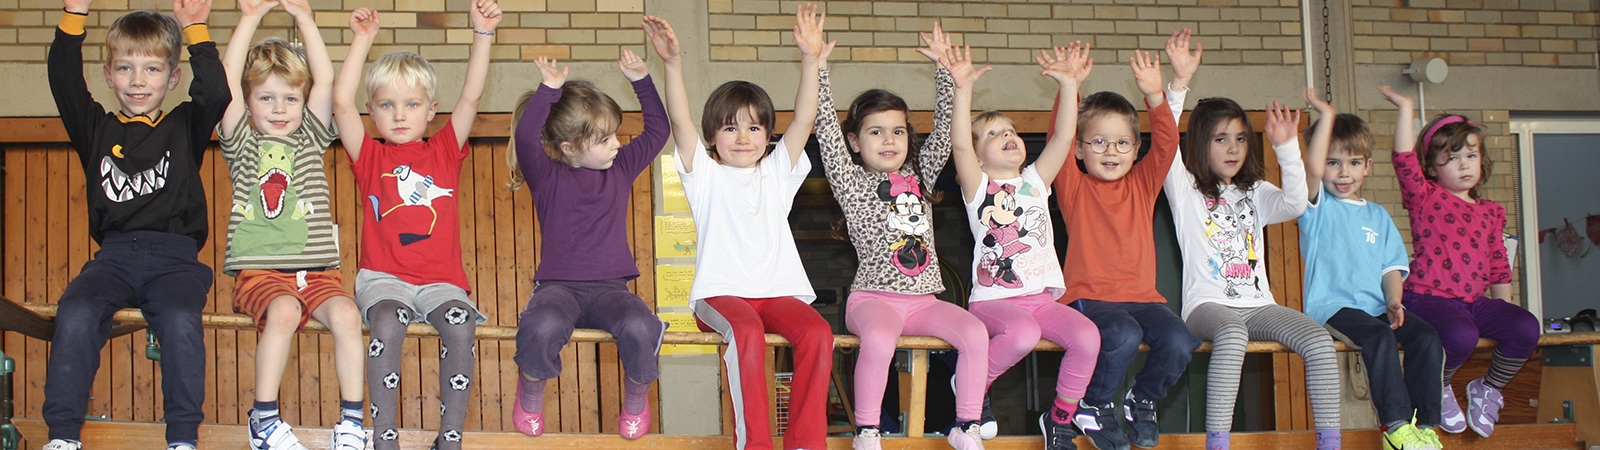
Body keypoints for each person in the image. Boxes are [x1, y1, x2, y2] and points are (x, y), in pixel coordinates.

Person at [648, 6, 834, 450]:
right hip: (721, 293)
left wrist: (812, 62)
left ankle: (806, 441)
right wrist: (672, 64)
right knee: (746, 333)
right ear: (713, 136)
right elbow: (680, 121)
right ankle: (755, 443)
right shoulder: (704, 176)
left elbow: (804, 121)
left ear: (768, 134)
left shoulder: (776, 173)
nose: (743, 137)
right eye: (730, 128)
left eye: (754, 127)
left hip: (776, 292)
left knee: (818, 333)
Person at [42, 0, 226, 447]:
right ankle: (64, 434)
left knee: (183, 320)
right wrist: (74, 13)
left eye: (151, 69)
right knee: (77, 311)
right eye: (125, 68)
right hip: (115, 257)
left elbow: (217, 93)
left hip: (176, 260)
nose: (138, 81)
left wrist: (195, 30)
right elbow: (64, 81)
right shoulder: (96, 129)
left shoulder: (185, 126)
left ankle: (182, 436)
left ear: (172, 77)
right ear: (108, 76)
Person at [331, 3, 500, 449]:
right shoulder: (370, 157)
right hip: (384, 279)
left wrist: (482, 34)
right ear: (373, 111)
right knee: (388, 321)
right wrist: (362, 40)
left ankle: (449, 438)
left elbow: (471, 98)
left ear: (431, 110)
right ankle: (384, 436)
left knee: (462, 324)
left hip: (441, 282)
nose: (400, 115)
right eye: (387, 106)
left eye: (411, 105)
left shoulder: (444, 149)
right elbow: (340, 104)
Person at [814, 22, 988, 450]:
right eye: (875, 132)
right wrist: (815, 66)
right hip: (873, 300)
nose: (889, 140)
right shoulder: (850, 181)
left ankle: (966, 424)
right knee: (878, 339)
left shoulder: (920, 175)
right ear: (855, 142)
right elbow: (824, 129)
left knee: (975, 333)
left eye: (897, 131)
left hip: (926, 302)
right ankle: (868, 429)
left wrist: (946, 73)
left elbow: (947, 130)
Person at [1164, 58, 1340, 448]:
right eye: (1221, 139)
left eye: (1241, 138)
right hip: (1206, 305)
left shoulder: (1255, 191)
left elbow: (1295, 203)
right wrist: (1178, 84)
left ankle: (1330, 442)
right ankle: (1218, 442)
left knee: (1318, 340)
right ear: (1199, 143)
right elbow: (1163, 139)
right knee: (1232, 333)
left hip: (1259, 304)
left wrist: (1286, 147)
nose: (1233, 148)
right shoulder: (1185, 188)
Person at [506, 38, 671, 439]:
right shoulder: (548, 177)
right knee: (541, 325)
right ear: (570, 147)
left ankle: (635, 404)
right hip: (559, 288)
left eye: (615, 135)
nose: (618, 143)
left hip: (610, 290)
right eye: (604, 139)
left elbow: (658, 131)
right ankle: (529, 394)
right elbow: (528, 138)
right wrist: (547, 89)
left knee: (639, 324)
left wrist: (642, 80)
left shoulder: (621, 168)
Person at [217, 0, 365, 448]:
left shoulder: (311, 138)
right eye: (266, 97)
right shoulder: (242, 140)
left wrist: (305, 18)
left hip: (318, 271)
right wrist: (249, 19)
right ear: (248, 102)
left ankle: (353, 422)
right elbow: (224, 79)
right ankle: (263, 419)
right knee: (284, 311)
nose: (279, 108)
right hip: (261, 271)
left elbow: (325, 80)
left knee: (347, 314)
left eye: (290, 98)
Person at [1047, 30, 1201, 450]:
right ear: (1079, 150)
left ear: (1136, 149)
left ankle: (1142, 399)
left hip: (1143, 298)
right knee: (1122, 335)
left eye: (1121, 143)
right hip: (1090, 296)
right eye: (1098, 141)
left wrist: (1156, 97)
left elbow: (1167, 146)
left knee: (1180, 339)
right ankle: (1093, 404)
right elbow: (1055, 142)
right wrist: (1069, 89)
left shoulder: (1143, 185)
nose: (1110, 151)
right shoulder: (1073, 186)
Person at [948, 42, 1099, 449]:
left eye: (1011, 130)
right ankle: (970, 383)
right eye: (994, 134)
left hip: (1041, 300)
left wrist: (1069, 87)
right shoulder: (978, 186)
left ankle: (1061, 420)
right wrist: (962, 90)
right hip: (994, 300)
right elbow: (960, 144)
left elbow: (1065, 136)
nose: (1008, 136)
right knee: (1022, 335)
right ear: (979, 159)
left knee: (1088, 338)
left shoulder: (1036, 181)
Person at [1381, 86, 1541, 439]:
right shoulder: (1424, 196)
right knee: (1460, 335)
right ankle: (1439, 383)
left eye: (1471, 155)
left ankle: (1489, 388)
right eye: (1452, 158)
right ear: (1432, 168)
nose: (1464, 164)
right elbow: (1403, 159)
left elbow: (1499, 264)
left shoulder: (1491, 212)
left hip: (1474, 301)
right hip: (1428, 297)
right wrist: (1406, 108)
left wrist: (1506, 316)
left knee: (1527, 327)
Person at [1298, 102, 1446, 450]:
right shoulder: (1316, 208)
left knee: (1426, 337)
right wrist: (1327, 118)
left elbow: (1390, 267)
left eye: (1353, 163)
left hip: (1377, 306)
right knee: (1378, 337)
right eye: (1333, 163)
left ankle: (1424, 426)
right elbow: (1311, 170)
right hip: (1334, 307)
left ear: (1367, 166)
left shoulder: (1378, 216)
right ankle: (1395, 427)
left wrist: (1394, 300)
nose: (1343, 173)